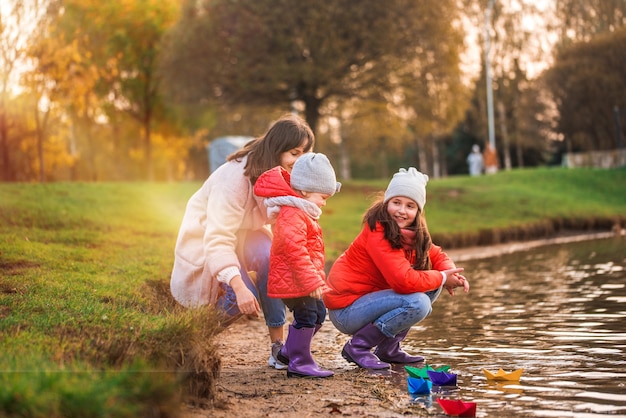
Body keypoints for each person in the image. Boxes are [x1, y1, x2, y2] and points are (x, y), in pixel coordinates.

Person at [170, 113, 315, 370]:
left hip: (244, 234)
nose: (299, 160)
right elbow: (217, 239)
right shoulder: (233, 182)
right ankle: (187, 342)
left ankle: (277, 348)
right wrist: (240, 286)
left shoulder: (278, 174)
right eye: (294, 152)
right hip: (208, 239)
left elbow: (287, 222)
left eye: (304, 153)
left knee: (272, 256)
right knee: (237, 300)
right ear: (277, 148)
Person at [323, 167, 469, 370]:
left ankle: (388, 349)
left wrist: (451, 273)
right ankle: (357, 347)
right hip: (347, 310)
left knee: (431, 286)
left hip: (372, 301)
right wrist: (443, 278)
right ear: (387, 203)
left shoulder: (413, 233)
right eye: (396, 202)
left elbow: (435, 254)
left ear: (418, 211)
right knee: (418, 302)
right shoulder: (378, 231)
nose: (402, 210)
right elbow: (402, 281)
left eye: (410, 205)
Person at [254, 153, 341, 378]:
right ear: (304, 191)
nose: (324, 202)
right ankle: (300, 362)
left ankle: (286, 354)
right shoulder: (292, 214)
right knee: (307, 316)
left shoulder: (303, 212)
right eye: (322, 196)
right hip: (295, 281)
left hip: (301, 279)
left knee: (319, 313)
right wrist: (311, 280)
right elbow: (296, 251)